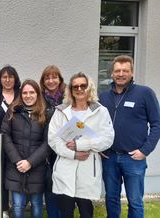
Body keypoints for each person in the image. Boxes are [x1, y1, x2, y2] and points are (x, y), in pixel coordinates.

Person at [99, 55, 160, 218]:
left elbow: (157, 124)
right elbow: (95, 125)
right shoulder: (103, 97)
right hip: (109, 157)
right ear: (111, 74)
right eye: (117, 70)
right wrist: (98, 148)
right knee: (111, 199)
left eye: (125, 70)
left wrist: (145, 151)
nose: (120, 74)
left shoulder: (145, 93)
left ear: (132, 73)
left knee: (135, 201)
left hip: (134, 158)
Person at [48, 72, 114, 218]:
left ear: (89, 88)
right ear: (70, 90)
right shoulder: (61, 111)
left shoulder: (100, 111)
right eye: (75, 86)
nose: (79, 89)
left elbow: (107, 139)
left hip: (88, 169)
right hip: (65, 168)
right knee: (66, 212)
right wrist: (73, 153)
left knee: (86, 212)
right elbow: (53, 140)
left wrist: (80, 145)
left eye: (83, 85)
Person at [1, 79, 51, 218]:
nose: (28, 95)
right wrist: (18, 161)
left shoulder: (45, 114)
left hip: (37, 167)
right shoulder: (12, 112)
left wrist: (30, 162)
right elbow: (5, 136)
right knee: (17, 205)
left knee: (36, 204)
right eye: (25, 92)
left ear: (38, 94)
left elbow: (48, 143)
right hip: (15, 167)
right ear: (21, 94)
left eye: (32, 92)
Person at [0, 65, 21, 218]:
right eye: (4, 77)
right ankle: (4, 209)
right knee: (1, 177)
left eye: (10, 77)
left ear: (15, 79)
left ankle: (19, 208)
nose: (7, 80)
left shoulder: (22, 95)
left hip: (18, 143)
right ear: (0, 79)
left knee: (18, 175)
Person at [39, 65, 66, 218]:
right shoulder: (39, 98)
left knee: (64, 188)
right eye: (47, 78)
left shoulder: (69, 97)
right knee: (49, 187)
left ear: (60, 79)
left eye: (54, 77)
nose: (51, 81)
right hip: (47, 150)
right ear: (43, 81)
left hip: (65, 148)